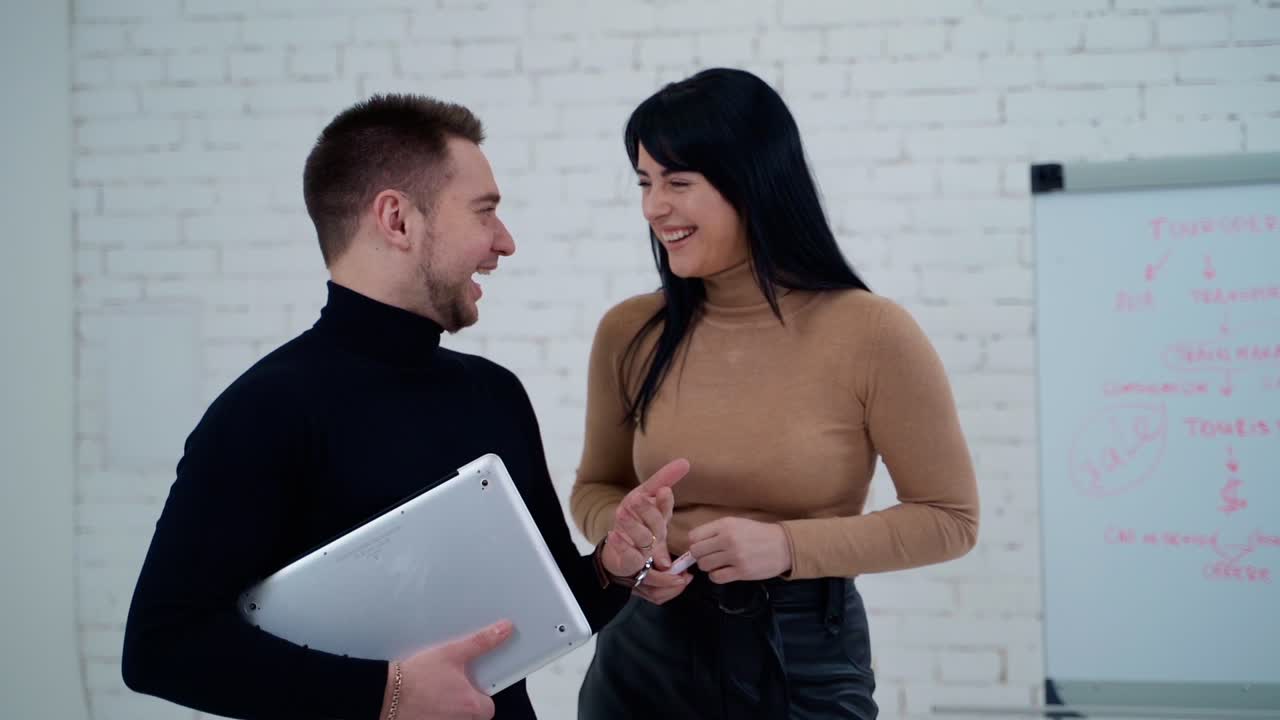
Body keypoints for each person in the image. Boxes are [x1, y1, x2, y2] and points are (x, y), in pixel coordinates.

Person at [121, 93, 688, 720]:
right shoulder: (263, 411)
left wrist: (611, 567)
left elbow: (554, 606)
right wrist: (387, 696)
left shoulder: (493, 391)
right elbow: (160, 647)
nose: (505, 242)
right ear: (397, 219)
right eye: (484, 212)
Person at [569, 68, 981, 719]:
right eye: (644, 183)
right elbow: (596, 487)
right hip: (642, 649)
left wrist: (789, 547)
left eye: (678, 182)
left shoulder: (871, 332)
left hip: (802, 649)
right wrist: (628, 546)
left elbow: (949, 519)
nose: (653, 207)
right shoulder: (630, 332)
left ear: (753, 182)